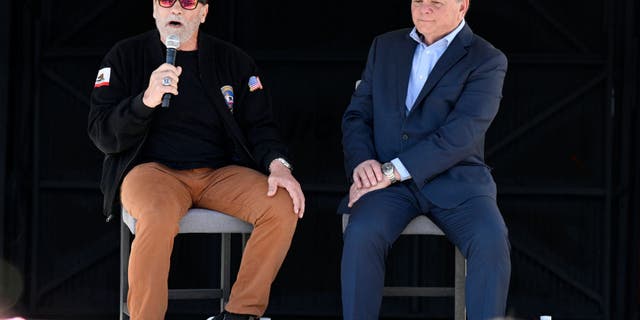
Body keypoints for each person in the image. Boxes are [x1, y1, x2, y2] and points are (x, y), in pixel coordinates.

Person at [87, 0, 305, 319]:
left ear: (203, 12)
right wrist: (144, 101)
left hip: (220, 173)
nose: (176, 10)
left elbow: (261, 126)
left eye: (187, 3)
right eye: (166, 2)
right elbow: (101, 132)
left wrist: (278, 165)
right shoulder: (124, 56)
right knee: (157, 214)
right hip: (152, 173)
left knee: (283, 201)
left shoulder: (233, 60)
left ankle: (242, 312)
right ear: (153, 10)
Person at [339, 0, 510, 319]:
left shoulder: (486, 59)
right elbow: (357, 116)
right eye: (418, 0)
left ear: (462, 6)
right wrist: (362, 162)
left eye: (436, 2)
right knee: (361, 233)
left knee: (491, 240)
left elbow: (461, 134)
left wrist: (390, 171)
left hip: (456, 181)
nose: (424, 9)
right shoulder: (385, 46)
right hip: (389, 188)